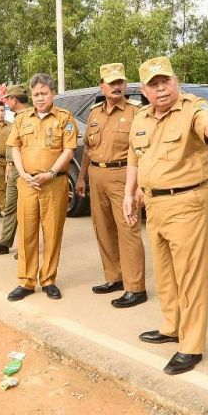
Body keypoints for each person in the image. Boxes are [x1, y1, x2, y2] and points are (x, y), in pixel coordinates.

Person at [122, 58, 208, 375]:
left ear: (176, 81)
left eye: (166, 81)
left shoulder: (193, 107)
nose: (161, 88)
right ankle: (171, 326)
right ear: (144, 90)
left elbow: (207, 126)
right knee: (165, 273)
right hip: (153, 203)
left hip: (187, 201)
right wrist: (130, 194)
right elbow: (134, 156)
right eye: (153, 84)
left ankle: (191, 346)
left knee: (191, 277)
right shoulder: (141, 117)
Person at [77, 63, 148, 309]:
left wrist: (140, 186)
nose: (116, 86)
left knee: (128, 231)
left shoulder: (137, 112)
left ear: (125, 85)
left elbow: (143, 151)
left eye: (120, 82)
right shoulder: (95, 113)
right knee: (103, 230)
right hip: (96, 175)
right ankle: (114, 278)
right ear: (102, 86)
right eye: (111, 82)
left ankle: (136, 288)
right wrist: (81, 177)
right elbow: (88, 147)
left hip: (122, 176)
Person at [6, 73, 78, 301]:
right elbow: (15, 147)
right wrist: (23, 173)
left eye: (44, 93)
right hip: (27, 184)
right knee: (26, 233)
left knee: (52, 232)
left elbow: (69, 150)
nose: (39, 98)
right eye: (36, 94)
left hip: (54, 184)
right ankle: (26, 282)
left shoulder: (65, 118)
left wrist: (51, 173)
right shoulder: (22, 119)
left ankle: (48, 280)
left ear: (52, 94)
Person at [0, 86, 30, 255]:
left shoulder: (30, 118)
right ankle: (5, 242)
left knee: (27, 209)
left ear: (14, 99)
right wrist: (9, 166)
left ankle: (26, 247)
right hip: (12, 168)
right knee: (10, 207)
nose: (6, 103)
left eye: (7, 99)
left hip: (25, 169)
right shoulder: (17, 118)